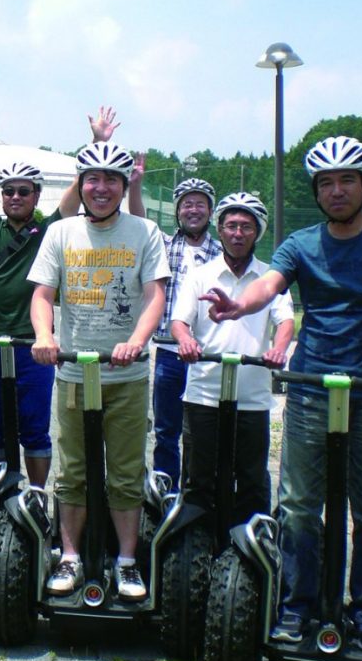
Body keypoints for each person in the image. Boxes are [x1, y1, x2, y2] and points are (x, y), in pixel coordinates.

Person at [202, 136, 362, 653]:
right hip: (310, 391)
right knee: (299, 507)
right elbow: (270, 284)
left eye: (347, 180)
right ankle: (297, 606)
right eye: (326, 183)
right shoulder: (301, 244)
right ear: (317, 192)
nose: (337, 190)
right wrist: (238, 306)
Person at [0, 106, 125, 488]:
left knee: (34, 428)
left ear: (36, 196)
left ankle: (34, 495)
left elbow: (76, 189)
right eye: (9, 191)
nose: (15, 197)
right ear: (1, 196)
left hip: (34, 346)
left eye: (23, 191)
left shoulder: (49, 230)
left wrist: (97, 143)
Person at [29, 141, 169, 601]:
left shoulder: (145, 231)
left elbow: (154, 296)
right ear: (82, 184)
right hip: (73, 374)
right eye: (94, 178)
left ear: (124, 183)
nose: (102, 187)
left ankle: (126, 561)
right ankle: (69, 556)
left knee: (125, 473)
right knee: (71, 472)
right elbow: (43, 295)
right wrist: (46, 337)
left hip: (126, 376)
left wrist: (136, 341)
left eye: (112, 178)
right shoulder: (61, 232)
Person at [170, 192, 294, 526]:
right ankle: (193, 549)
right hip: (203, 393)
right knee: (198, 479)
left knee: (253, 481)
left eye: (246, 227)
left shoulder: (270, 277)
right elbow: (179, 321)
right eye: (231, 226)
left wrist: (278, 350)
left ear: (258, 232)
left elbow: (285, 321)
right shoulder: (200, 275)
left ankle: (249, 552)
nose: (238, 233)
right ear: (220, 230)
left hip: (252, 399)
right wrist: (185, 341)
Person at [150, 176, 222, 491]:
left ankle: (197, 491)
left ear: (211, 210)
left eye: (200, 204)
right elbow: (141, 221)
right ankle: (166, 492)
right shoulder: (165, 246)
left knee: (202, 429)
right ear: (178, 211)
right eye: (187, 204)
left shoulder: (222, 252)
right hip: (168, 352)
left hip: (205, 355)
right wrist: (137, 186)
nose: (193, 210)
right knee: (166, 430)